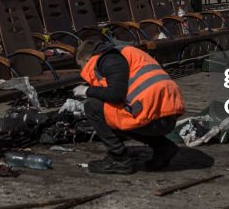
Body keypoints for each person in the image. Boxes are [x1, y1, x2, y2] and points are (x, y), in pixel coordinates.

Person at [73, 39, 186, 174]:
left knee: (93, 106)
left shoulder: (109, 59)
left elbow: (115, 94)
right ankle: (163, 147)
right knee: (116, 114)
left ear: (87, 60)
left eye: (82, 67)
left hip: (155, 116)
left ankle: (118, 158)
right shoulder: (125, 53)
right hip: (164, 113)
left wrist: (86, 91)